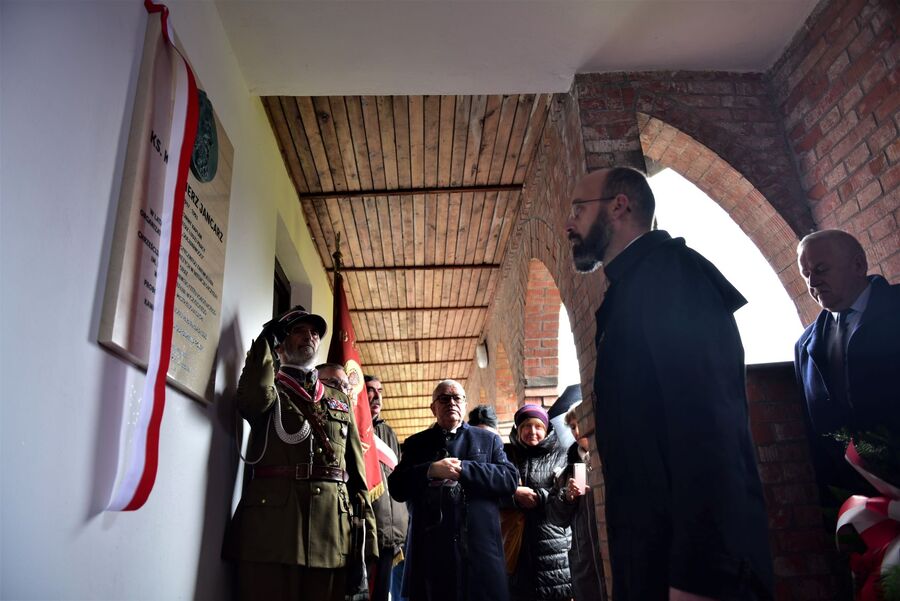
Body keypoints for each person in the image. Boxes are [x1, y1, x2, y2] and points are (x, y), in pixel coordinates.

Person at [564, 167, 773, 600]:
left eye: (578, 209)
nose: (569, 223)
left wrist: (701, 574)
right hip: (654, 558)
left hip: (697, 575)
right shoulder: (633, 286)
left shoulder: (673, 277)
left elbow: (709, 428)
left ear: (619, 206)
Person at [223, 306, 377, 601]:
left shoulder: (339, 400)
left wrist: (368, 537)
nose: (309, 336)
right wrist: (266, 341)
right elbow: (251, 399)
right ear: (281, 344)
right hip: (274, 530)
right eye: (298, 331)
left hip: (332, 533)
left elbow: (356, 474)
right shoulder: (271, 391)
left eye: (315, 332)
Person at [388, 380, 518, 601]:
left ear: (465, 404)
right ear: (433, 408)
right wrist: (430, 470)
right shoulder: (416, 444)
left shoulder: (488, 440)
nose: (451, 403)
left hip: (480, 549)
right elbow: (397, 487)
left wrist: (463, 469)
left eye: (457, 398)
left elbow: (509, 478)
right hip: (432, 553)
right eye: (444, 398)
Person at [794, 229, 900, 492]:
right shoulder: (804, 345)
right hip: (856, 493)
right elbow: (815, 434)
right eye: (806, 274)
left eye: (821, 269)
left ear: (858, 265)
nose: (813, 282)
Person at [502, 404, 572, 601]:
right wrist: (515, 497)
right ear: (518, 429)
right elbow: (493, 492)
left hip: (553, 545)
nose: (532, 431)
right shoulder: (506, 455)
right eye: (526, 426)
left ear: (546, 429)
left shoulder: (562, 455)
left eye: (538, 426)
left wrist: (540, 497)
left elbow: (567, 494)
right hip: (517, 544)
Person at [548, 401, 607, 601]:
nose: (577, 430)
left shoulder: (611, 458)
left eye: (580, 422)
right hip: (585, 562)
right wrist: (567, 497)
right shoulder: (567, 471)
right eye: (572, 426)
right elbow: (555, 518)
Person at [365, 374, 409, 601]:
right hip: (364, 531)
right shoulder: (353, 427)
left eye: (380, 391)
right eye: (370, 390)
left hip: (391, 534)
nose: (377, 396)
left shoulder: (389, 433)